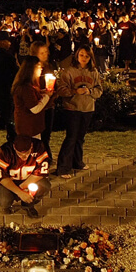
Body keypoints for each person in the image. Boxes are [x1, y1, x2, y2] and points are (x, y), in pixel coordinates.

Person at [55, 46, 102, 179]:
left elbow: (99, 89)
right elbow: (62, 90)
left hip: (87, 108)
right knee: (71, 137)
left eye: (87, 56)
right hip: (72, 108)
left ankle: (77, 162)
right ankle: (63, 167)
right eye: (81, 55)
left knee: (80, 137)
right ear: (76, 56)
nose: (84, 58)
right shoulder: (69, 71)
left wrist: (90, 92)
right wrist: (75, 91)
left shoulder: (94, 72)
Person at [0, 135, 51, 218]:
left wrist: (22, 188)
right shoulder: (5, 151)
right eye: (20, 154)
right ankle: (6, 206)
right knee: (4, 200)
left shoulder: (38, 147)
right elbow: (1, 177)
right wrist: (19, 192)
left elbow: (41, 172)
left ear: (31, 146)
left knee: (44, 185)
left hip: (29, 180)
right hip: (10, 182)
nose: (24, 157)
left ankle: (28, 205)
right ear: (14, 147)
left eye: (27, 153)